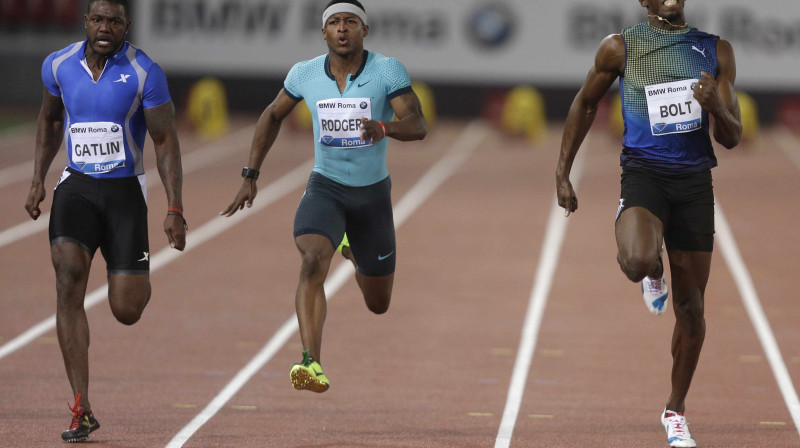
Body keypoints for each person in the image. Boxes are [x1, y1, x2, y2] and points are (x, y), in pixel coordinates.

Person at [555, 0, 741, 446]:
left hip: (695, 184)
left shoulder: (716, 51)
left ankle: (675, 411)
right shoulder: (621, 47)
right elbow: (584, 103)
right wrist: (562, 171)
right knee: (637, 260)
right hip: (644, 174)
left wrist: (716, 104)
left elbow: (732, 137)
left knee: (692, 310)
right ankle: (653, 271)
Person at [221, 0, 426, 393]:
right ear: (324, 32)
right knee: (313, 259)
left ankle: (350, 250)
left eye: (351, 21)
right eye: (334, 22)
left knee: (377, 302)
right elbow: (272, 114)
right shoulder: (305, 73)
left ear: (365, 30)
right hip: (325, 186)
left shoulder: (387, 70)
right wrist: (250, 175)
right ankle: (310, 361)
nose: (343, 28)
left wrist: (384, 128)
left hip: (372, 197)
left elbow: (417, 123)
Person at [24, 0, 187, 442]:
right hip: (75, 188)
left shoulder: (144, 72)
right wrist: (38, 179)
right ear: (86, 22)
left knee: (127, 309)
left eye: (114, 21)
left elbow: (165, 141)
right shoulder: (57, 65)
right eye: (98, 19)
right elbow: (50, 119)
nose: (104, 27)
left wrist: (174, 207)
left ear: (126, 26)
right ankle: (82, 406)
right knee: (67, 277)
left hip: (123, 195)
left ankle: (127, 280)